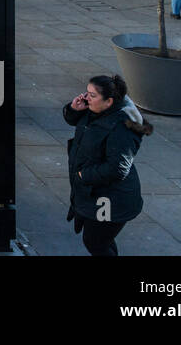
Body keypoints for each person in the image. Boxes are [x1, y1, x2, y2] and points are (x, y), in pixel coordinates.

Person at [64, 74, 152, 256]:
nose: (86, 99)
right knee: (101, 241)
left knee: (95, 242)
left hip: (111, 199)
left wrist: (83, 175)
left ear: (109, 101)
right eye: (86, 93)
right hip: (95, 192)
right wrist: (73, 109)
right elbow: (75, 121)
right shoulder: (96, 110)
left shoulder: (121, 127)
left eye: (92, 95)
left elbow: (118, 168)